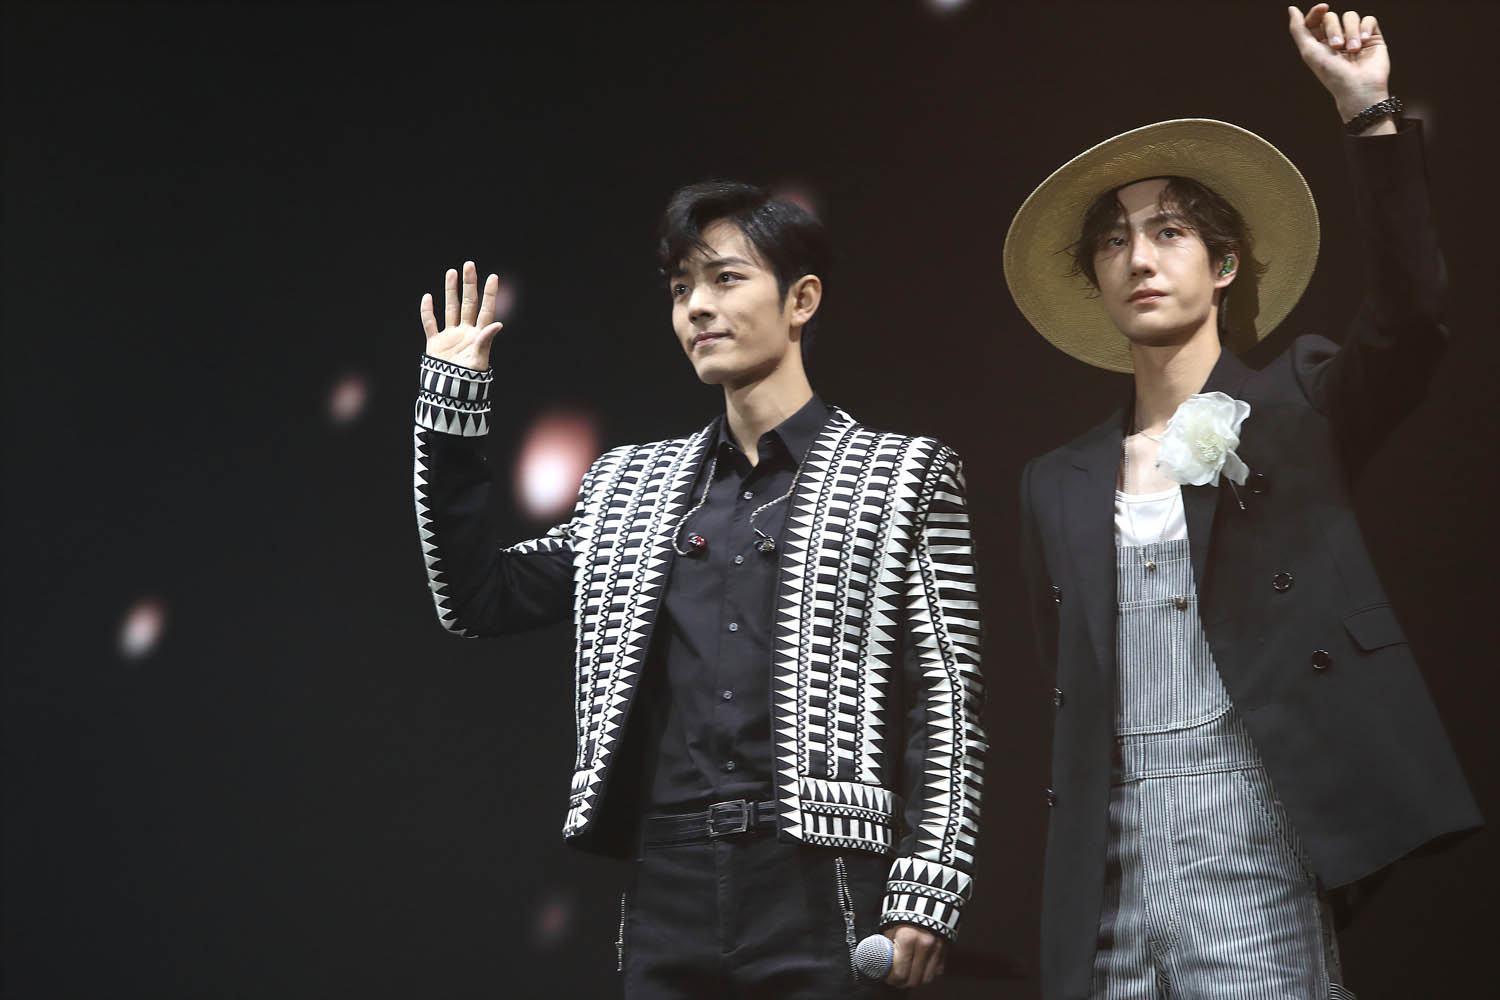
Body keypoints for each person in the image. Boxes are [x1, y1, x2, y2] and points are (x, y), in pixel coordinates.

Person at [1004, 6, 1481, 997]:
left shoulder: (1299, 404)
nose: (1139, 257)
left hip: (1256, 822)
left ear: (1222, 266)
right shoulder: (1058, 479)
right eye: (1114, 241)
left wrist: (1368, 112)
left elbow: (1412, 315)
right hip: (1109, 848)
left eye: (1169, 232)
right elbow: (1069, 683)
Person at [411, 181, 986, 996]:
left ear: (801, 299)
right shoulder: (629, 485)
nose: (697, 308)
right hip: (668, 876)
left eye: (725, 279)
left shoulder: (900, 475)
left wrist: (927, 890)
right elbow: (477, 599)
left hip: (820, 874)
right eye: (682, 289)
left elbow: (947, 698)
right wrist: (451, 415)